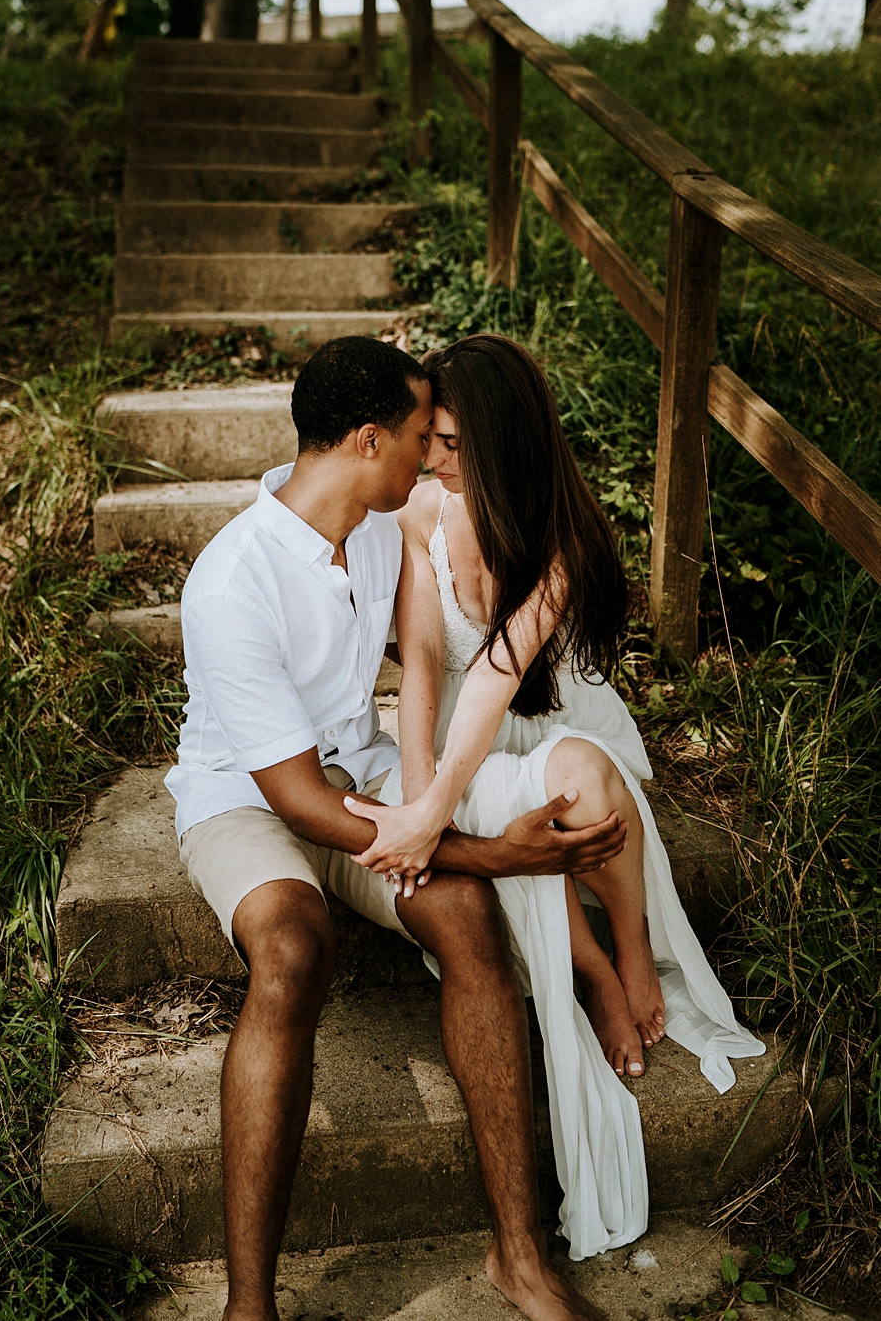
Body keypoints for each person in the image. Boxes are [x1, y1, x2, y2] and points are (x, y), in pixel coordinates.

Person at [165, 335, 627, 1321]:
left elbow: (489, 571)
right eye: (423, 437)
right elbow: (295, 803)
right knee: (292, 947)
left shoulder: (382, 523)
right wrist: (496, 851)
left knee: (462, 916)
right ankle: (250, 1305)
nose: (434, 456)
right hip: (247, 796)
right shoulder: (229, 581)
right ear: (370, 440)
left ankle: (520, 1257)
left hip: (355, 771)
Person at [346, 333, 766, 1261]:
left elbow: (499, 674)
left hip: (545, 716)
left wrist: (436, 805)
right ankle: (589, 971)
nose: (432, 455)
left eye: (450, 440)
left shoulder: (560, 531)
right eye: (429, 437)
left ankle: (635, 961)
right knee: (507, 832)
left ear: (497, 441)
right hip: (460, 733)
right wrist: (422, 798)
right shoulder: (423, 510)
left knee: (582, 780)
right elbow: (422, 663)